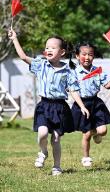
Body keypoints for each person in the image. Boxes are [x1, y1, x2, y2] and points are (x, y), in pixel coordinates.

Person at [8, 28, 89, 176]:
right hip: (44, 105)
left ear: (62, 52)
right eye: (47, 47)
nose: (48, 50)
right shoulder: (41, 64)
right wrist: (14, 39)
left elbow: (73, 90)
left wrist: (82, 106)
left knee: (56, 138)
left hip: (60, 107)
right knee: (43, 133)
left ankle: (57, 166)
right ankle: (43, 151)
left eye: (53, 47)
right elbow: (23, 57)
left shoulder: (68, 70)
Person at [72, 42, 110, 167]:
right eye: (84, 54)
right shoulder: (74, 72)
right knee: (86, 134)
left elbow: (107, 85)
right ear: (77, 56)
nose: (87, 57)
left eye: (90, 55)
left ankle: (96, 133)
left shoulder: (97, 71)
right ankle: (86, 157)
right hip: (81, 104)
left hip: (95, 103)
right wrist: (82, 106)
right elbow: (72, 91)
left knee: (103, 131)